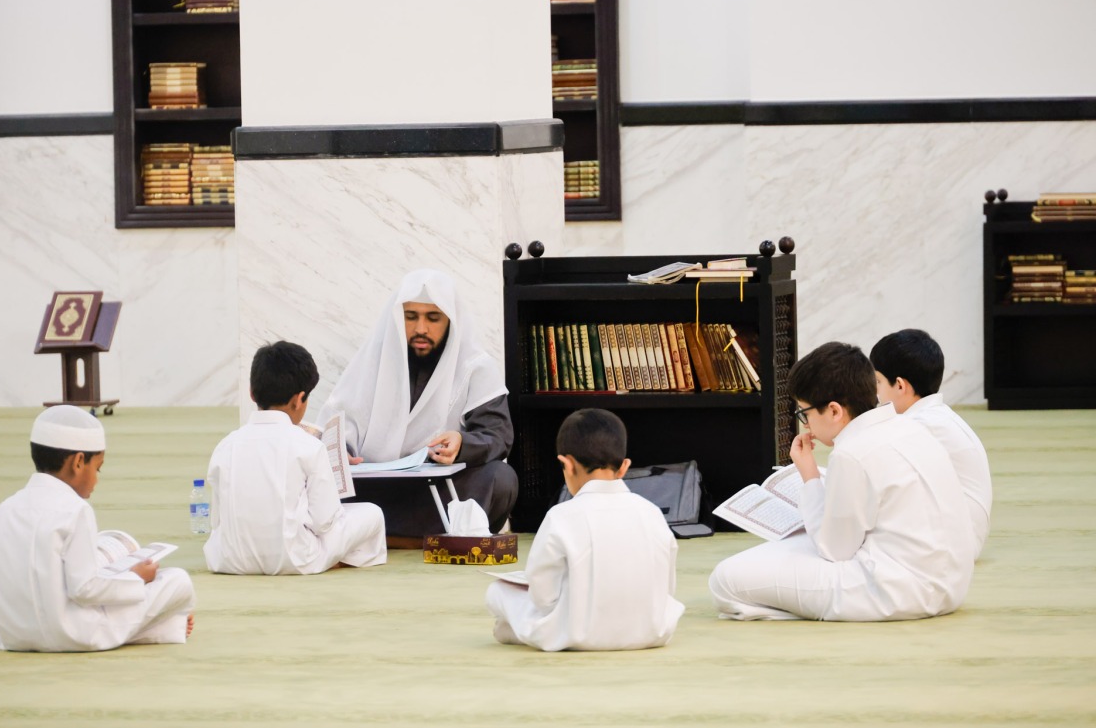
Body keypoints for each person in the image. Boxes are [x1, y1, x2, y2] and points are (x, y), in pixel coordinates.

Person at [708, 342, 975, 621]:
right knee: (781, 551)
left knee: (724, 580)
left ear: (834, 411)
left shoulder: (852, 452)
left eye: (805, 413)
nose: (806, 425)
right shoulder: (909, 426)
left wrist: (810, 476)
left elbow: (835, 550)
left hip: (895, 592)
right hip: (951, 585)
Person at [317, 269, 517, 539]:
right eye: (411, 317)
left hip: (438, 487)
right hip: (375, 490)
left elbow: (498, 435)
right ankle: (415, 535)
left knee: (500, 478)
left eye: (433, 318)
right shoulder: (371, 362)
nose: (421, 329)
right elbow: (337, 427)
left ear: (451, 321)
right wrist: (343, 452)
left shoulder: (475, 367)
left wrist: (462, 444)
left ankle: (382, 534)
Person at [0, 405, 196, 651]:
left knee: (101, 560)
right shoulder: (75, 510)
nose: (96, 478)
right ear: (78, 462)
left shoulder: (1, 512)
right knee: (176, 580)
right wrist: (137, 578)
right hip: (72, 634)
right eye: (98, 468)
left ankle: (165, 629)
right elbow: (85, 589)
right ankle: (161, 626)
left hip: (13, 636)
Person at [485, 409, 683, 651]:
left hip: (579, 634)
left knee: (498, 591)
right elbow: (667, 588)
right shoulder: (652, 513)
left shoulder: (560, 516)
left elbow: (543, 598)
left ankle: (523, 631)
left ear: (566, 464)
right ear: (624, 467)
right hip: (652, 631)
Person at [203, 341, 386, 574]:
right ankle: (338, 561)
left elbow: (217, 521)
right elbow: (325, 522)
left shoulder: (225, 445)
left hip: (229, 560)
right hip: (296, 559)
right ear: (299, 399)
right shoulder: (308, 446)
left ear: (251, 392)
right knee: (373, 513)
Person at [870, 329, 992, 559]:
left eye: (877, 381)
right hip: (960, 536)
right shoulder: (934, 416)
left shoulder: (920, 425)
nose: (875, 392)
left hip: (954, 545)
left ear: (899, 385)